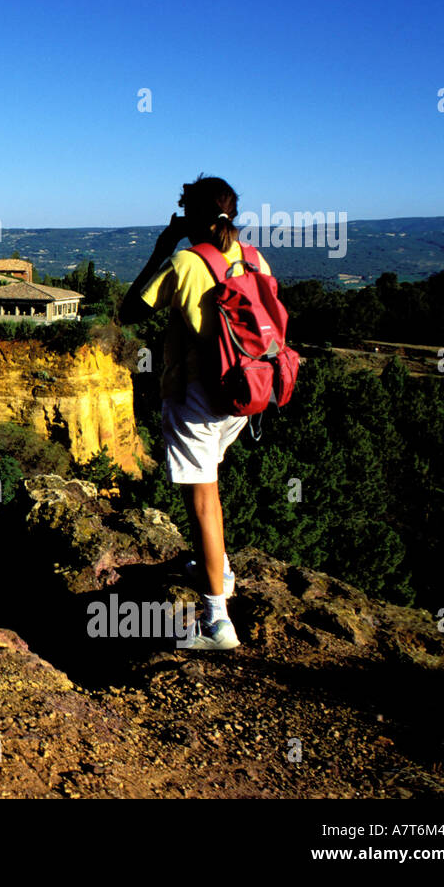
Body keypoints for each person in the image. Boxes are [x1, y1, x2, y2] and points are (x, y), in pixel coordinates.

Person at [118, 175, 270, 650]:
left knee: (202, 499)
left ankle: (217, 619)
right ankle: (214, 562)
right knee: (210, 485)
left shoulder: (184, 261)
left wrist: (163, 246)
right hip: (243, 394)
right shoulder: (253, 257)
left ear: (190, 216)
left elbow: (128, 312)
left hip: (196, 397)